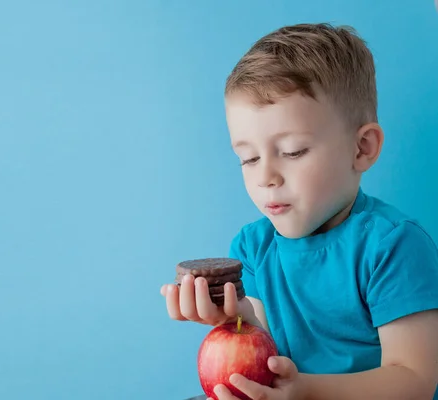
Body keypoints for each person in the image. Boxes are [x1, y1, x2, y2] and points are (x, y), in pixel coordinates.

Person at [161, 23, 438, 400]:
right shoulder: (253, 246)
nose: (266, 176)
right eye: (248, 158)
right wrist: (235, 318)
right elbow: (267, 349)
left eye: (292, 151)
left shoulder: (392, 246)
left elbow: (414, 381)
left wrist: (308, 392)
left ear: (362, 149)